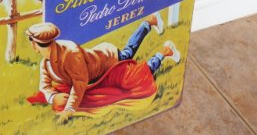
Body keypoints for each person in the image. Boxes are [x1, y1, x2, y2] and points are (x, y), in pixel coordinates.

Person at [26, 14, 180, 124]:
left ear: (36, 44)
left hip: (108, 62)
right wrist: (53, 97)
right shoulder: (45, 63)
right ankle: (149, 23)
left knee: (134, 74)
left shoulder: (70, 53)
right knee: (128, 53)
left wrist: (69, 109)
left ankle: (164, 51)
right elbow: (44, 86)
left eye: (32, 42)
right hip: (98, 75)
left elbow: (80, 82)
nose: (32, 46)